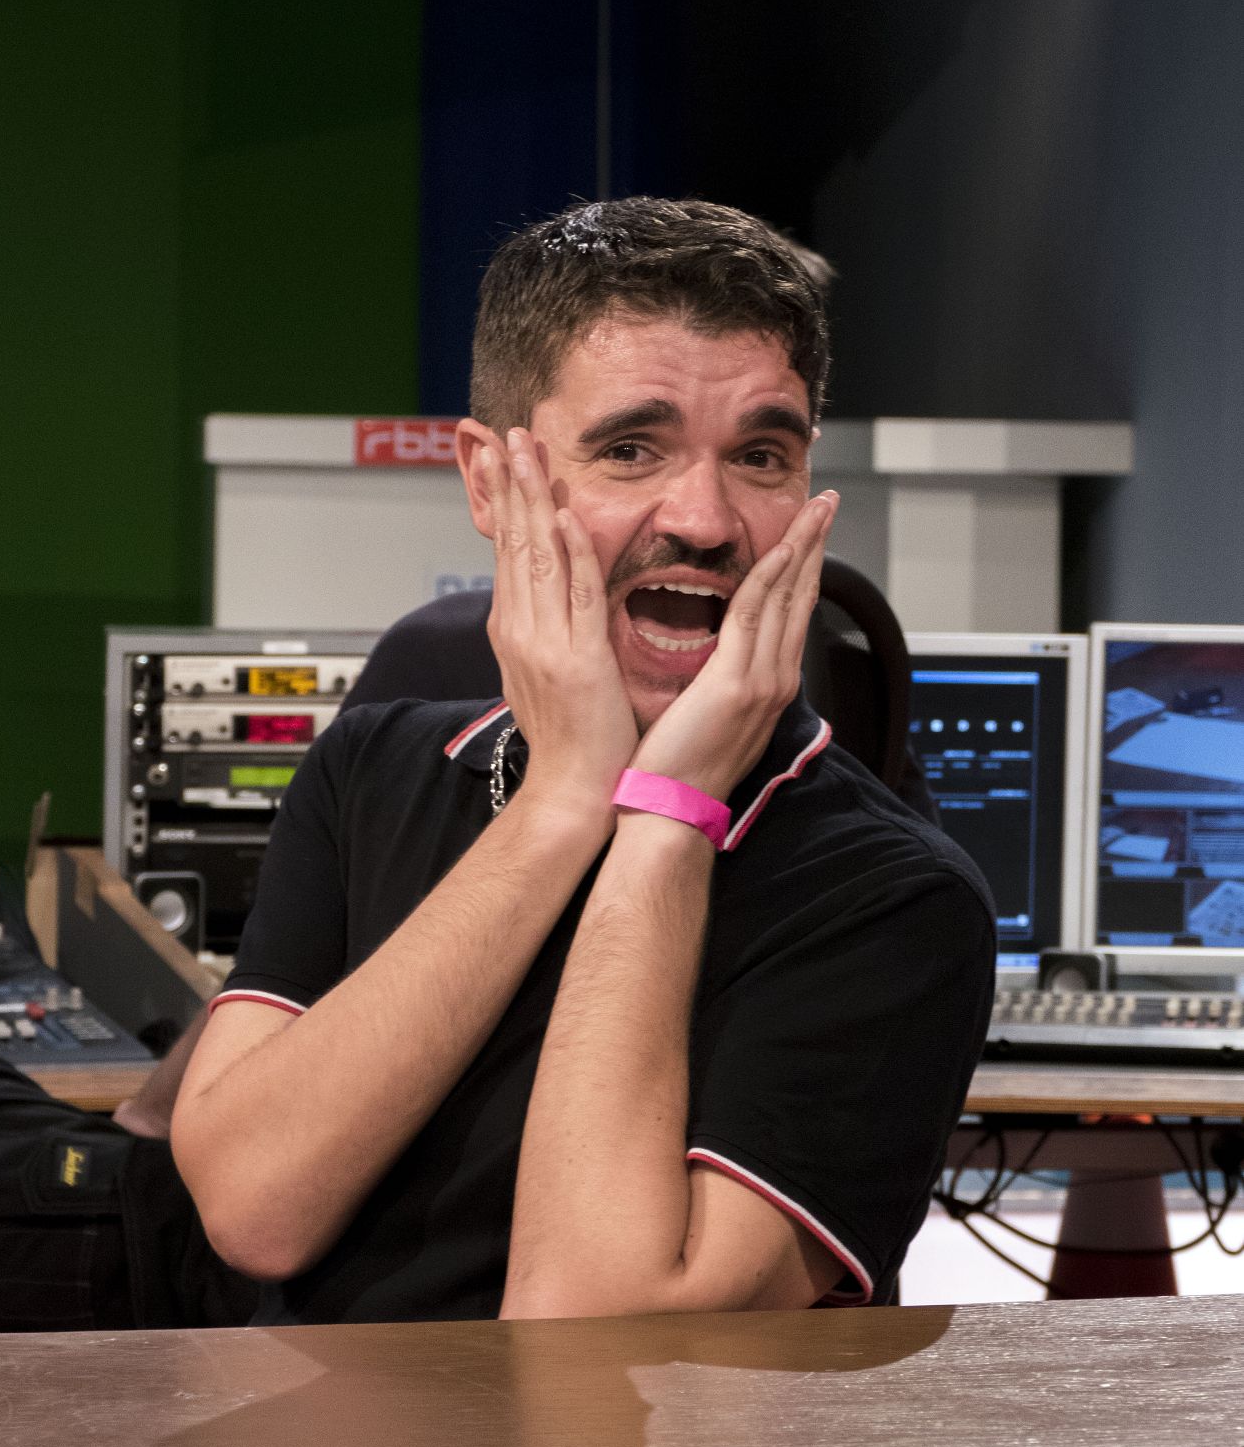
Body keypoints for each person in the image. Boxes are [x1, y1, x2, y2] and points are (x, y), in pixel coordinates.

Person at [171, 196, 995, 1323]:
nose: (704, 520)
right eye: (629, 449)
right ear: (487, 481)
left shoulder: (895, 897)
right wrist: (558, 805)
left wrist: (664, 816)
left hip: (616, 1446)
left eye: (761, 455)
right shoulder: (374, 766)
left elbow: (589, 1336)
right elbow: (252, 1207)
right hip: (318, 1437)